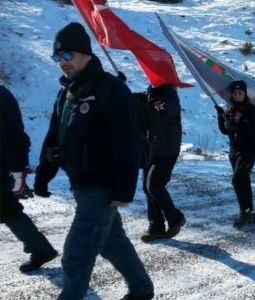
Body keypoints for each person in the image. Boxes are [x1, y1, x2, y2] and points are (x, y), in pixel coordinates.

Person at [33, 23, 153, 300]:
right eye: (57, 57)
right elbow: (54, 136)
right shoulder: (68, 92)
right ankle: (142, 288)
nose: (62, 63)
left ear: (86, 54)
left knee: (77, 252)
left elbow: (127, 142)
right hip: (81, 182)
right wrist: (43, 174)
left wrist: (124, 188)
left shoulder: (110, 89)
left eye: (67, 56)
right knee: (112, 243)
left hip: (103, 187)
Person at [1, 85, 58, 273]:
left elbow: (16, 137)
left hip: (3, 166)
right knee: (9, 211)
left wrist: (18, 171)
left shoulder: (2, 97)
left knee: (9, 211)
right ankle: (41, 249)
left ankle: (41, 249)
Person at [134, 84, 186, 241]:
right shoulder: (149, 94)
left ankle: (175, 218)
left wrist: (142, 104)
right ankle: (156, 226)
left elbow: (157, 113)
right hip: (152, 148)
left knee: (154, 186)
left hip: (167, 150)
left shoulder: (170, 98)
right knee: (146, 187)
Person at [215, 80, 255, 227]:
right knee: (243, 181)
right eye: (234, 93)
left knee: (237, 179)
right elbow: (225, 130)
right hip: (234, 150)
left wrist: (233, 125)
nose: (237, 95)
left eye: (240, 93)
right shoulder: (230, 110)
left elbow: (250, 130)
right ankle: (249, 213)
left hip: (248, 150)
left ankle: (244, 212)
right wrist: (221, 117)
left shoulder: (250, 109)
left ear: (245, 94)